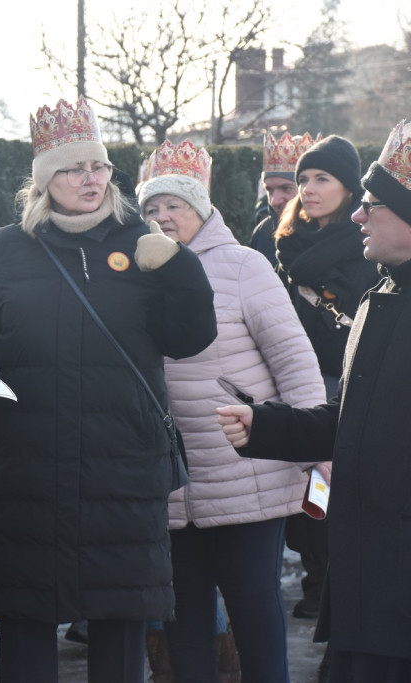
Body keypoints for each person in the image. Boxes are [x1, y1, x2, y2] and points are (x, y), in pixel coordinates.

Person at [0, 97, 217, 683]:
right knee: (26, 623)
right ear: (47, 179)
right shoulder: (8, 249)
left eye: (98, 168)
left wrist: (180, 268)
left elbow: (190, 338)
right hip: (30, 469)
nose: (91, 180)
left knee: (120, 622)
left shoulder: (141, 241)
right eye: (74, 169)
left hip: (122, 469)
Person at [217, 118, 411, 683]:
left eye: (372, 202)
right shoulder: (383, 297)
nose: (358, 215)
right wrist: (266, 427)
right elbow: (352, 419)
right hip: (369, 583)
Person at [137, 139, 327, 682]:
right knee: (185, 620)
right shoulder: (136, 274)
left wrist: (315, 443)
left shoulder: (245, 266)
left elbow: (293, 358)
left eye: (174, 204)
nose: (162, 217)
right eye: (151, 207)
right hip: (173, 482)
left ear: (201, 206)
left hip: (246, 472)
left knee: (254, 613)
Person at [273, 134, 380, 623]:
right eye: (303, 179)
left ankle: (340, 587)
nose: (308, 189)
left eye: (322, 178)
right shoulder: (281, 241)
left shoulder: (370, 246)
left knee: (343, 490)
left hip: (349, 383)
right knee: (305, 494)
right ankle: (317, 580)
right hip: (296, 383)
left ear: (349, 188)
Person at [249, 132, 320, 268]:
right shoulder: (262, 233)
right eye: (269, 190)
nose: (275, 201)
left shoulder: (338, 232)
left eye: (286, 188)